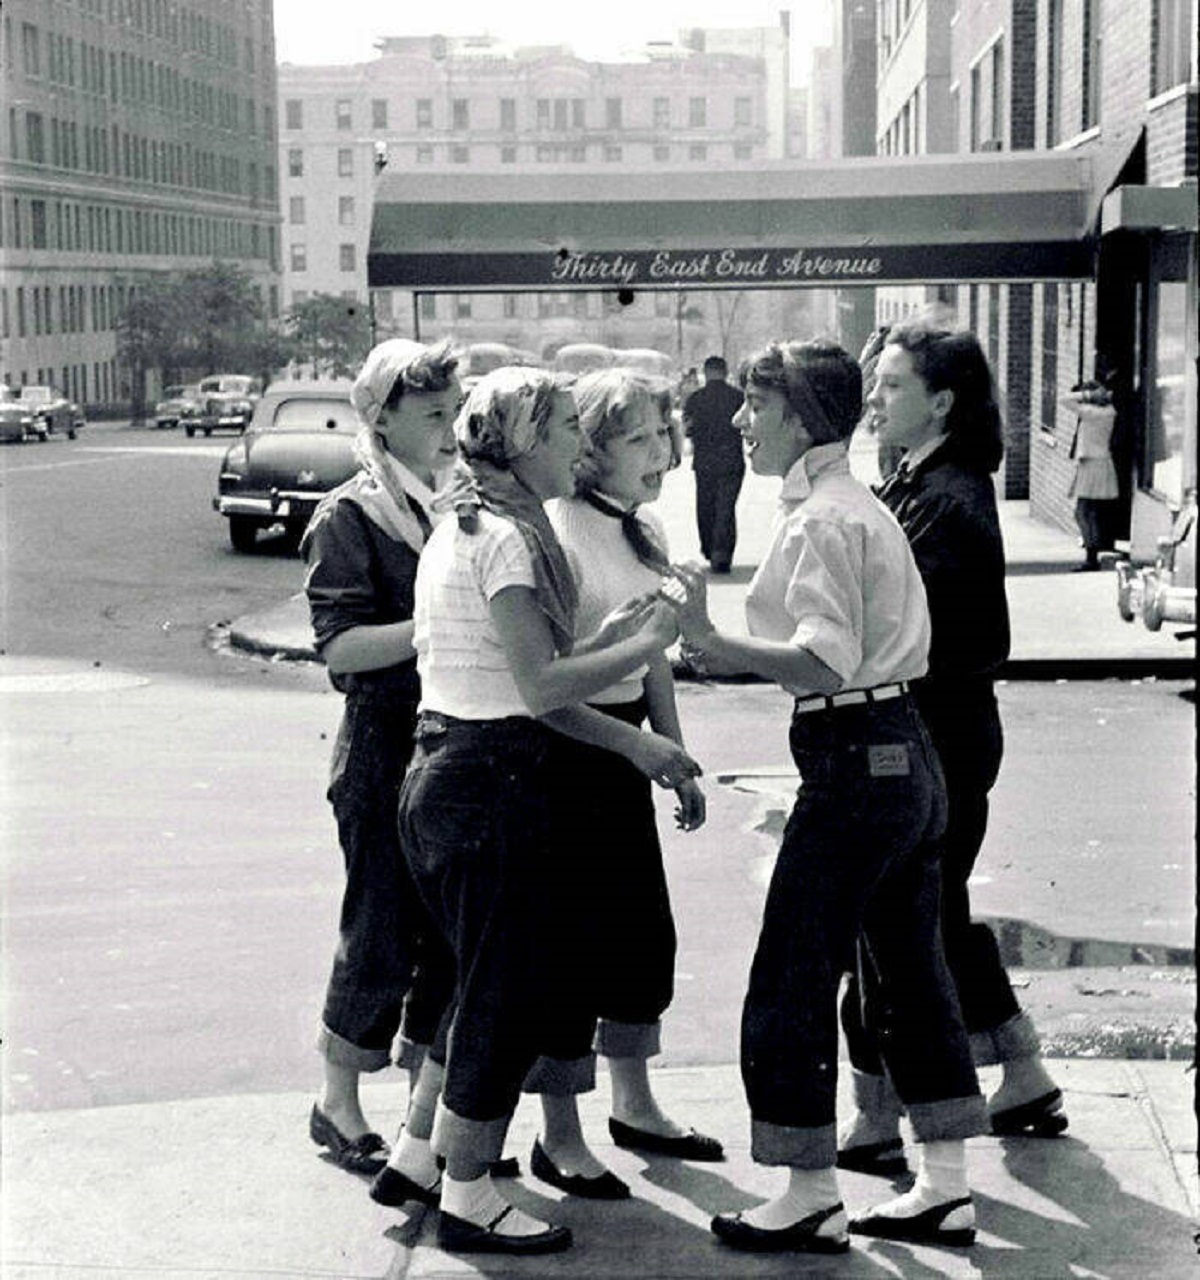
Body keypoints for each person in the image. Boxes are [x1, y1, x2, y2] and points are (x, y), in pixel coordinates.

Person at [664, 339, 988, 1255]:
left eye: (755, 407)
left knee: (793, 971)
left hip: (857, 760)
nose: (736, 422)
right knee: (909, 970)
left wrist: (711, 638)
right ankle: (946, 1187)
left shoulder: (821, 521)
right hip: (904, 752)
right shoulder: (855, 505)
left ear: (800, 414)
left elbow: (821, 659)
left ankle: (807, 1188)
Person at [397, 367, 701, 1255]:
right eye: (567, 426)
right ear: (525, 443)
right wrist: (650, 640)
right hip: (490, 781)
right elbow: (539, 688)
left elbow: (519, 672)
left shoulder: (470, 525)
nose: (579, 441)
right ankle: (469, 1193)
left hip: (446, 767)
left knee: (479, 982)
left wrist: (624, 688)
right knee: (503, 997)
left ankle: (421, 1159)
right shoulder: (512, 540)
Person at [838, 323, 1066, 1175]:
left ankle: (889, 1117)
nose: (875, 398)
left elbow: (902, 634)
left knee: (896, 924)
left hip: (933, 738)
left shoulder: (946, 499)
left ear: (943, 400)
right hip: (947, 735)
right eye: (876, 382)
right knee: (935, 914)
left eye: (893, 385)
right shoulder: (920, 481)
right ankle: (1022, 1071)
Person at [523, 368, 720, 1200]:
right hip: (566, 755)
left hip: (628, 752)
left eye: (663, 432)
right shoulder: (556, 537)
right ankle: (558, 1134)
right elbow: (544, 687)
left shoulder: (645, 532)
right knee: (566, 954)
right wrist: (638, 749)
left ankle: (635, 1106)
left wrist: (673, 750)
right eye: (639, 436)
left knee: (642, 939)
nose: (662, 449)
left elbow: (653, 655)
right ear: (590, 450)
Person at [301, 338, 461, 1174]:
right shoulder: (350, 515)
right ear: (381, 417)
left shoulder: (451, 502)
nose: (449, 426)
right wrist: (441, 627)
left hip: (449, 745)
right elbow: (341, 650)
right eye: (431, 413)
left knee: (446, 936)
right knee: (379, 928)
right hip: (381, 746)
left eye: (452, 411)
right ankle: (337, 1102)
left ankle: (421, 1117)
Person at [682, 355, 745, 573]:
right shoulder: (738, 397)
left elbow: (688, 429)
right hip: (732, 459)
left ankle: (710, 549)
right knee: (726, 507)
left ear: (705, 372)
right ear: (726, 372)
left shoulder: (695, 399)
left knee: (706, 505)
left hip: (704, 461)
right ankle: (722, 553)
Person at [1062, 378, 1121, 571]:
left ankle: (1091, 556)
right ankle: (1092, 552)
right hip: (1098, 462)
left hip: (1092, 464)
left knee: (1083, 512)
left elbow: (1065, 400)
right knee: (1089, 512)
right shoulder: (1108, 412)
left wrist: (1088, 394)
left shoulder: (1091, 413)